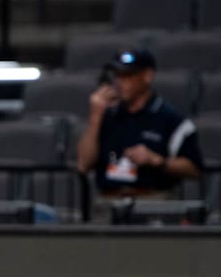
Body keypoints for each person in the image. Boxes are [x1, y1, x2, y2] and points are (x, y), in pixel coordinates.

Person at [76, 48, 203, 198]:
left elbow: (194, 169)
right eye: (117, 76)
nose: (119, 82)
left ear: (147, 76)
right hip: (108, 202)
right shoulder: (105, 115)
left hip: (153, 202)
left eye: (127, 76)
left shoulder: (170, 119)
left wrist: (156, 160)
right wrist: (95, 116)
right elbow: (83, 164)